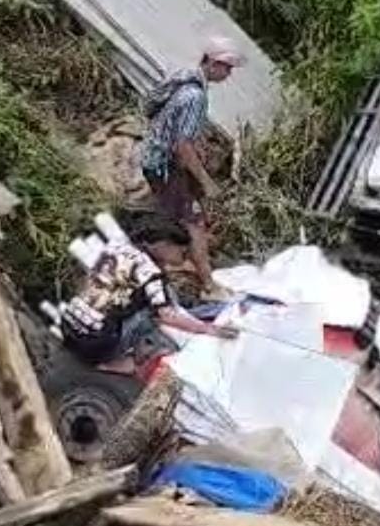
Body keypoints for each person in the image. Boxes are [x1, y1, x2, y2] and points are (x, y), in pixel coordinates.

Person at [61, 210, 236, 373]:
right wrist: (206, 329)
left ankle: (99, 352)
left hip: (69, 327)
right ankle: (110, 363)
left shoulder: (117, 247)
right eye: (182, 252)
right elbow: (166, 315)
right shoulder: (151, 273)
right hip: (96, 344)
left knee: (134, 301)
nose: (183, 258)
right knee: (152, 314)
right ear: (165, 245)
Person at [141, 37, 246, 295]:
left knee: (179, 217)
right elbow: (182, 145)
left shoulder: (185, 80)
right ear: (210, 62)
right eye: (226, 67)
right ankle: (208, 285)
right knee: (194, 223)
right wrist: (206, 182)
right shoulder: (195, 95)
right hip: (165, 165)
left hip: (156, 160)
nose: (228, 73)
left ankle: (177, 265)